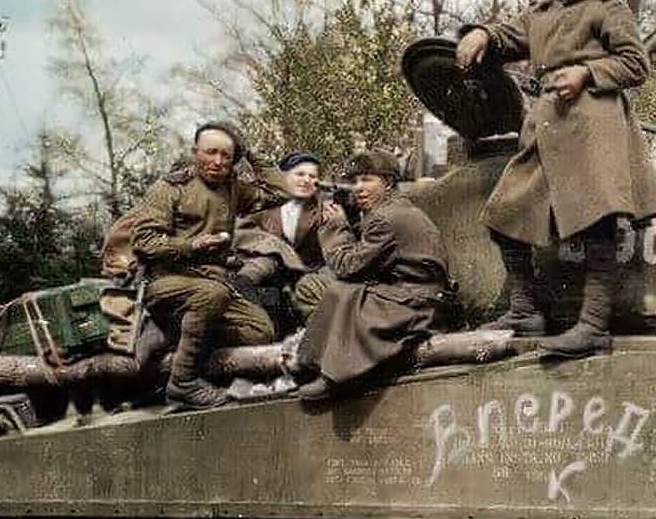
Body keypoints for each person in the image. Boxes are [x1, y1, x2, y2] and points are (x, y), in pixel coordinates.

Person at [454, 0, 656, 360]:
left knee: (597, 223)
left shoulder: (606, 8)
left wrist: (588, 73)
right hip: (547, 128)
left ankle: (592, 326)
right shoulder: (540, 13)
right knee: (503, 212)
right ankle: (525, 309)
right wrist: (482, 34)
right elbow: (509, 37)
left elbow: (635, 64)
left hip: (593, 126)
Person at [129, 123, 288, 410]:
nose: (218, 161)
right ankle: (183, 383)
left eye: (226, 155)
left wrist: (249, 152)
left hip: (214, 283)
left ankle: (176, 333)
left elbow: (281, 191)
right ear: (195, 153)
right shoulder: (170, 188)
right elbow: (144, 242)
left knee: (259, 331)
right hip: (167, 280)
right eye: (210, 153)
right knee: (211, 295)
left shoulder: (232, 187)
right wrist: (192, 245)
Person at [293, 152, 450, 403]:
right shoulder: (395, 208)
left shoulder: (385, 218)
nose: (358, 188)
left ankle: (336, 375)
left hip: (413, 304)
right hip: (413, 293)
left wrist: (336, 227)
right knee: (328, 287)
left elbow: (347, 267)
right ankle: (314, 361)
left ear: (387, 183)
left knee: (342, 290)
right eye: (354, 181)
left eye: (367, 180)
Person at [232, 151, 336, 329]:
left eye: (312, 176)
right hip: (271, 273)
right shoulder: (263, 205)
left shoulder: (324, 207)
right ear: (284, 177)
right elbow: (242, 233)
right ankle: (242, 286)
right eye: (300, 174)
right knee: (265, 260)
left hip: (307, 272)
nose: (306, 180)